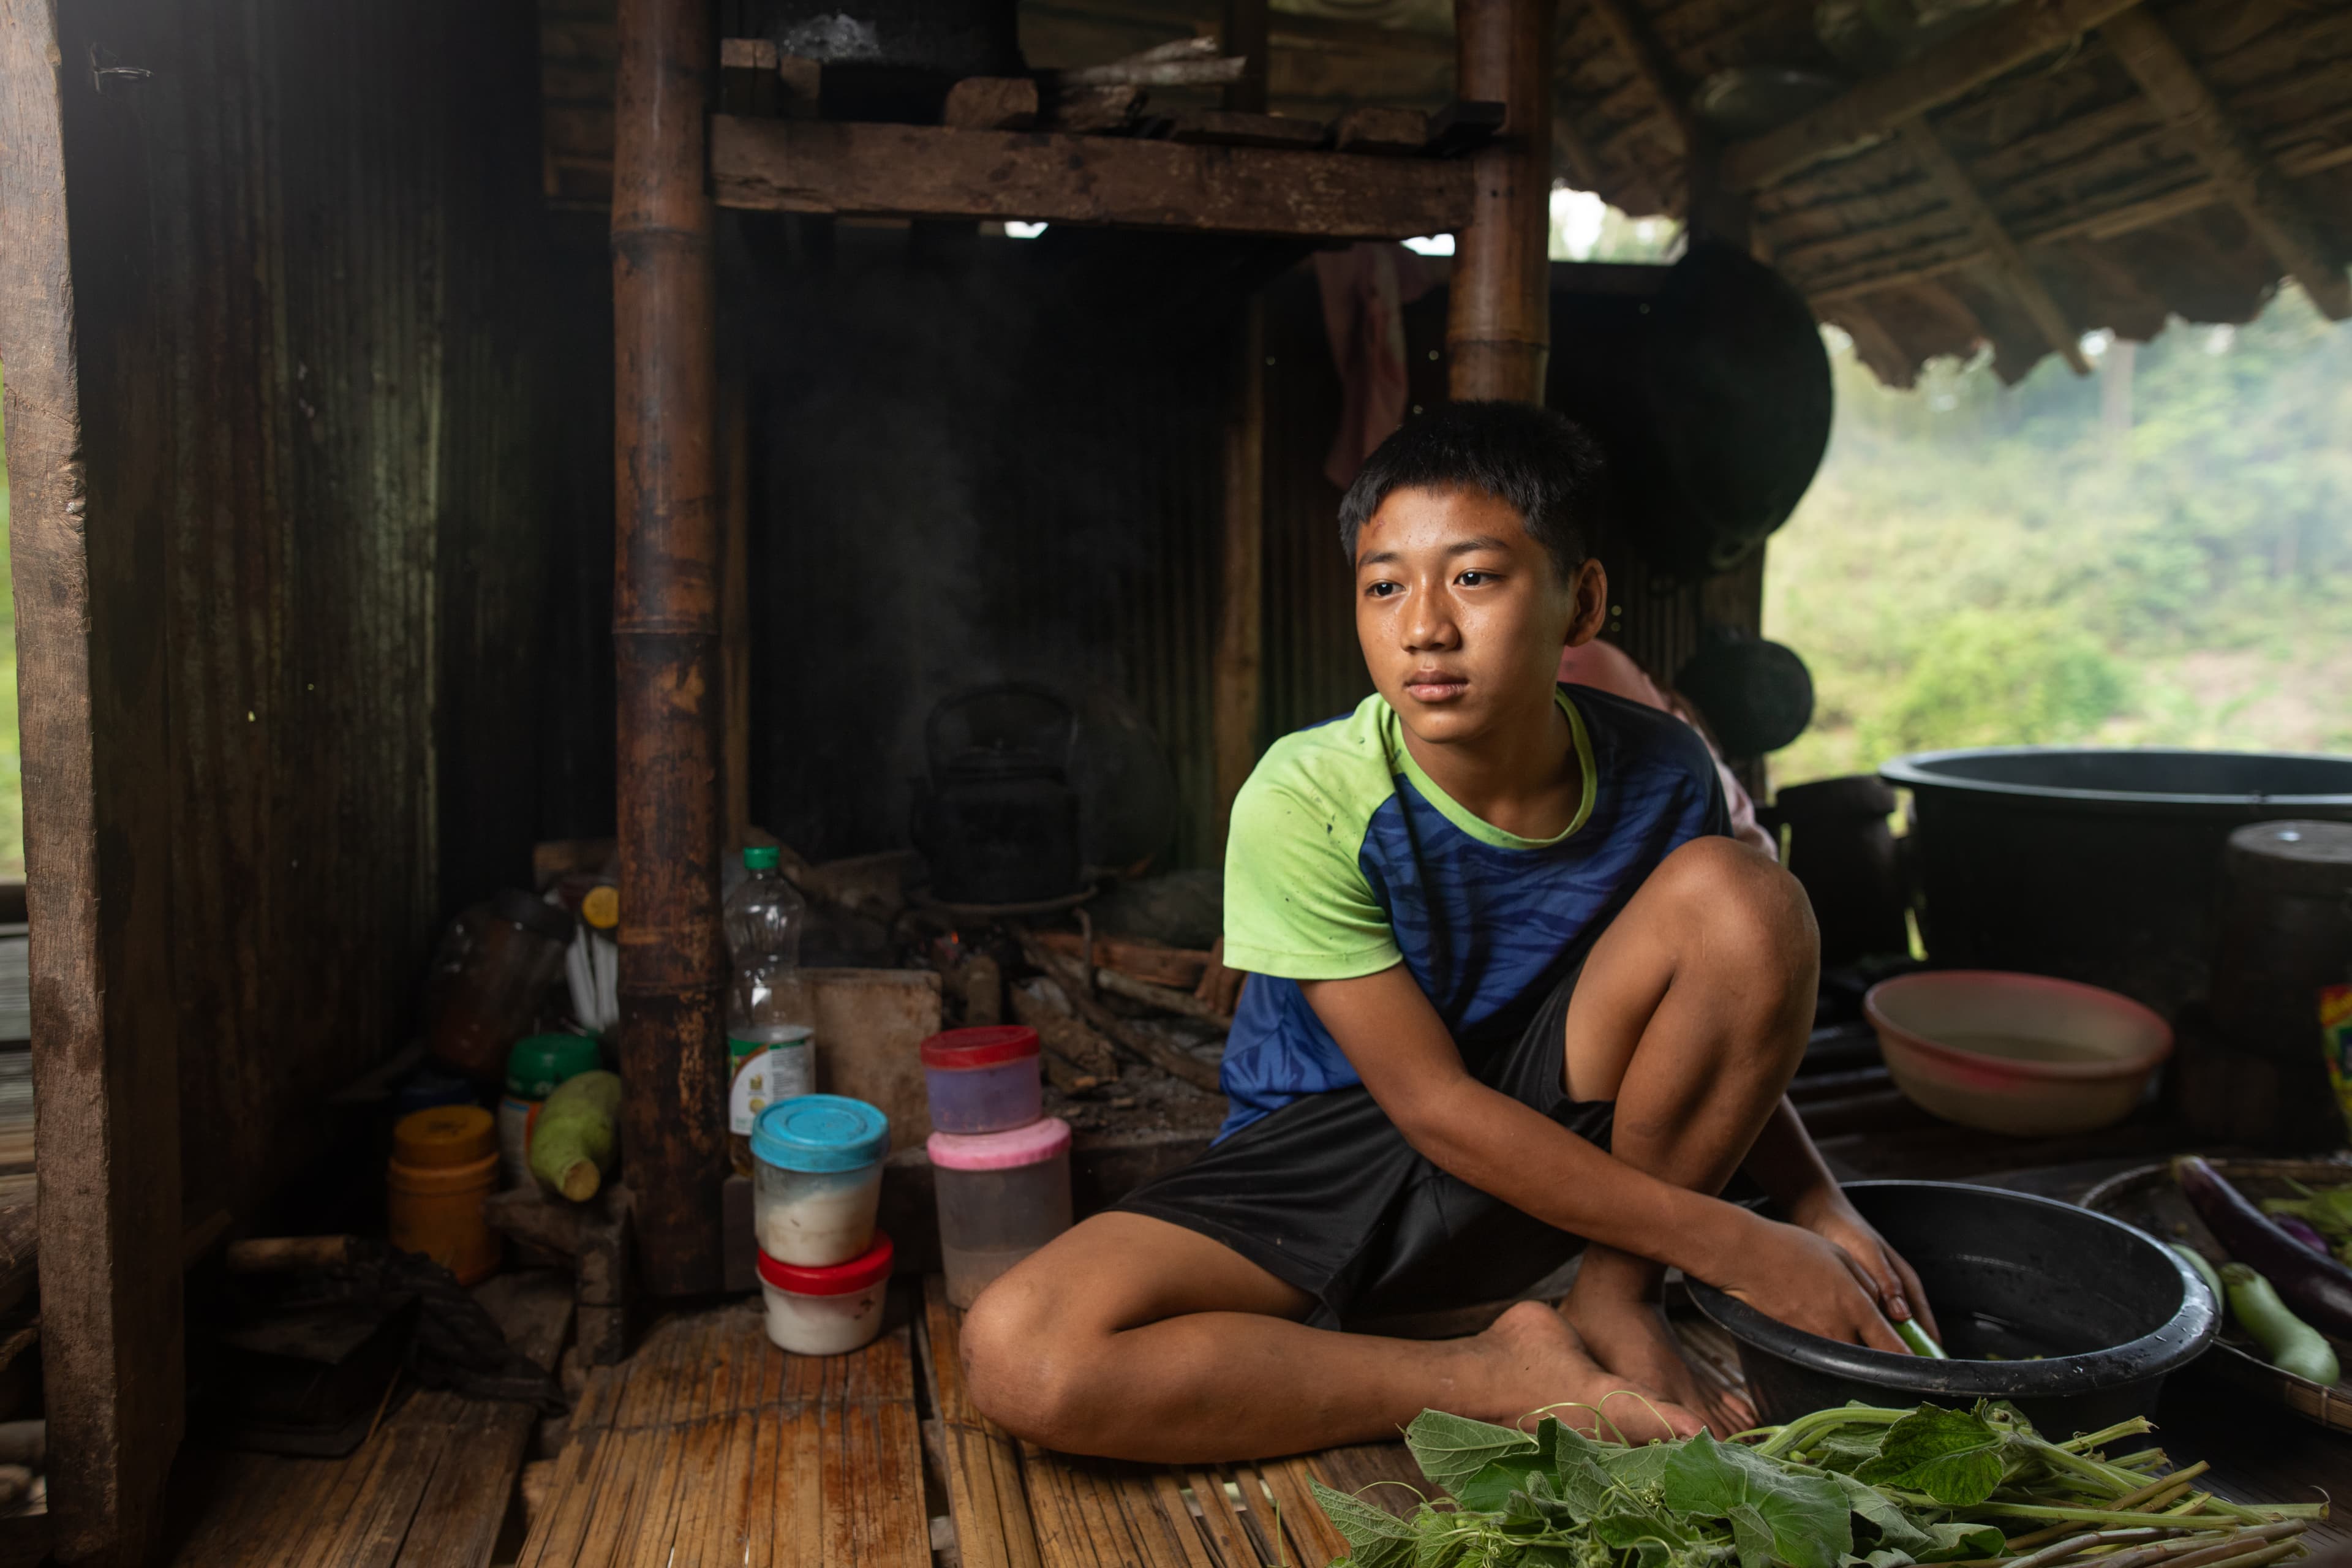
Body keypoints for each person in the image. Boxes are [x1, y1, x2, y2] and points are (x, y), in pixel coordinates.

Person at [962, 402, 1934, 1463]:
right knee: (1025, 1353)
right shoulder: (1309, 796)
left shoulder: (1665, 769)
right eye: (1385, 586)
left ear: (1582, 602)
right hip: (1324, 1151)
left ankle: (1618, 1302)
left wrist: (1815, 1203)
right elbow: (1430, 1105)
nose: (1423, 625)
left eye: (1474, 576)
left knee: (1749, 898)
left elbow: (1733, 999)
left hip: (1561, 1138)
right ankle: (1494, 1375)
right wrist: (1746, 1243)